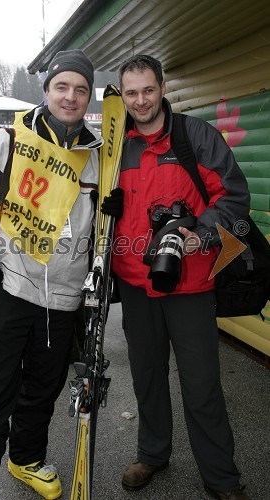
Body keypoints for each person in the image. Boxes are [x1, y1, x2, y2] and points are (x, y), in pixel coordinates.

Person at [0, 49, 112, 500]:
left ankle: (25, 459)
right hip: (7, 290)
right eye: (62, 87)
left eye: (80, 89)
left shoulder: (97, 157)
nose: (70, 97)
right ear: (46, 89)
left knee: (40, 393)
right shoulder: (5, 140)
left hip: (64, 302)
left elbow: (98, 234)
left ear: (87, 95)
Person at [111, 54, 251, 500]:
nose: (140, 101)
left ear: (163, 87)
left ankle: (221, 478)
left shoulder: (196, 136)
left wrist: (201, 234)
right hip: (134, 285)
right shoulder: (114, 147)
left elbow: (233, 198)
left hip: (190, 284)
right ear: (122, 95)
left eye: (147, 90)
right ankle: (153, 453)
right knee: (146, 377)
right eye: (130, 93)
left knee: (201, 385)